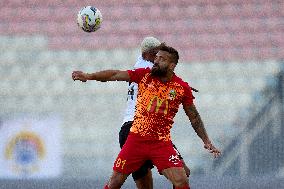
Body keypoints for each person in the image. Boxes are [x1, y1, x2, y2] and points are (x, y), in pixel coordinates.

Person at [72, 44, 221, 189]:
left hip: (161, 143)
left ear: (171, 66)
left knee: (181, 179)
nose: (156, 61)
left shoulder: (181, 88)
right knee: (114, 182)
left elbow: (193, 116)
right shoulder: (144, 75)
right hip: (136, 140)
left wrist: (206, 140)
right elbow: (115, 74)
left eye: (161, 59)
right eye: (156, 57)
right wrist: (89, 76)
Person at [120, 37, 190, 189]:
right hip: (140, 127)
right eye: (156, 53)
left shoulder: (141, 62)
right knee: (183, 171)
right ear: (148, 54)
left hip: (128, 129)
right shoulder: (147, 68)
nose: (159, 56)